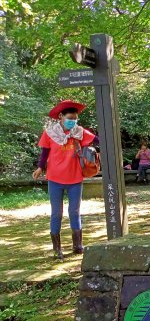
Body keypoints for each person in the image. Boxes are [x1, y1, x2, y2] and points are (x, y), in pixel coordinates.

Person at [32, 100, 97, 260]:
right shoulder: (49, 133)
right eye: (70, 118)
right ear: (60, 116)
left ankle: (77, 246)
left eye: (75, 118)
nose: (72, 121)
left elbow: (97, 140)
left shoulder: (79, 132)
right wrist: (40, 167)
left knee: (74, 212)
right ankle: (57, 249)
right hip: (55, 178)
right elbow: (45, 153)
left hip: (75, 177)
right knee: (56, 213)